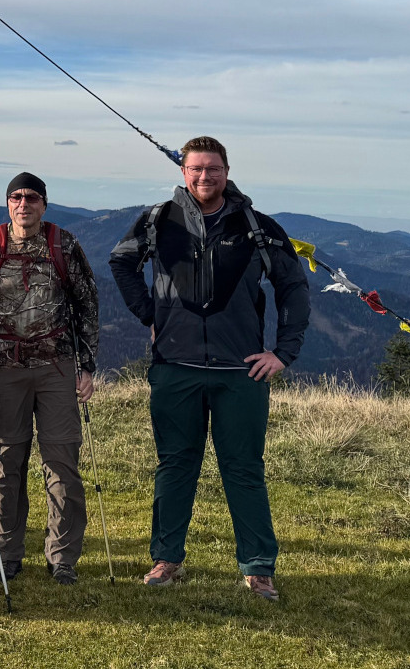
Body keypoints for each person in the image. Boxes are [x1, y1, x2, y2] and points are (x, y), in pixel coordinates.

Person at [106, 136, 310, 602]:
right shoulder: (158, 220)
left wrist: (283, 352)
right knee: (174, 465)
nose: (204, 177)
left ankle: (258, 568)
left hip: (241, 372)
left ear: (227, 170)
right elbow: (121, 263)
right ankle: (166, 559)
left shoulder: (258, 225)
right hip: (174, 368)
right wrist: (149, 314)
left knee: (244, 469)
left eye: (212, 169)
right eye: (195, 169)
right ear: (183, 172)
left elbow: (293, 287)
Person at [0, 172, 100, 585]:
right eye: (17, 197)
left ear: (44, 204)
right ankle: (6, 555)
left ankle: (62, 559)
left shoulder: (63, 243)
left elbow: (87, 301)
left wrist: (87, 365)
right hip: (3, 370)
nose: (24, 204)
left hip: (57, 367)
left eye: (32, 198)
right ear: (7, 203)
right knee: (5, 464)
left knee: (61, 462)